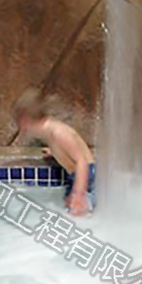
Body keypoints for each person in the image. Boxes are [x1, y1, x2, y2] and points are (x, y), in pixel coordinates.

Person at [12, 87, 96, 216]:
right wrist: (54, 152)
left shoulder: (58, 132)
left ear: (25, 120)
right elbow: (67, 149)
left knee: (79, 213)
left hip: (88, 176)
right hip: (76, 176)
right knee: (69, 210)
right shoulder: (49, 133)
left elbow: (82, 161)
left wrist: (79, 194)